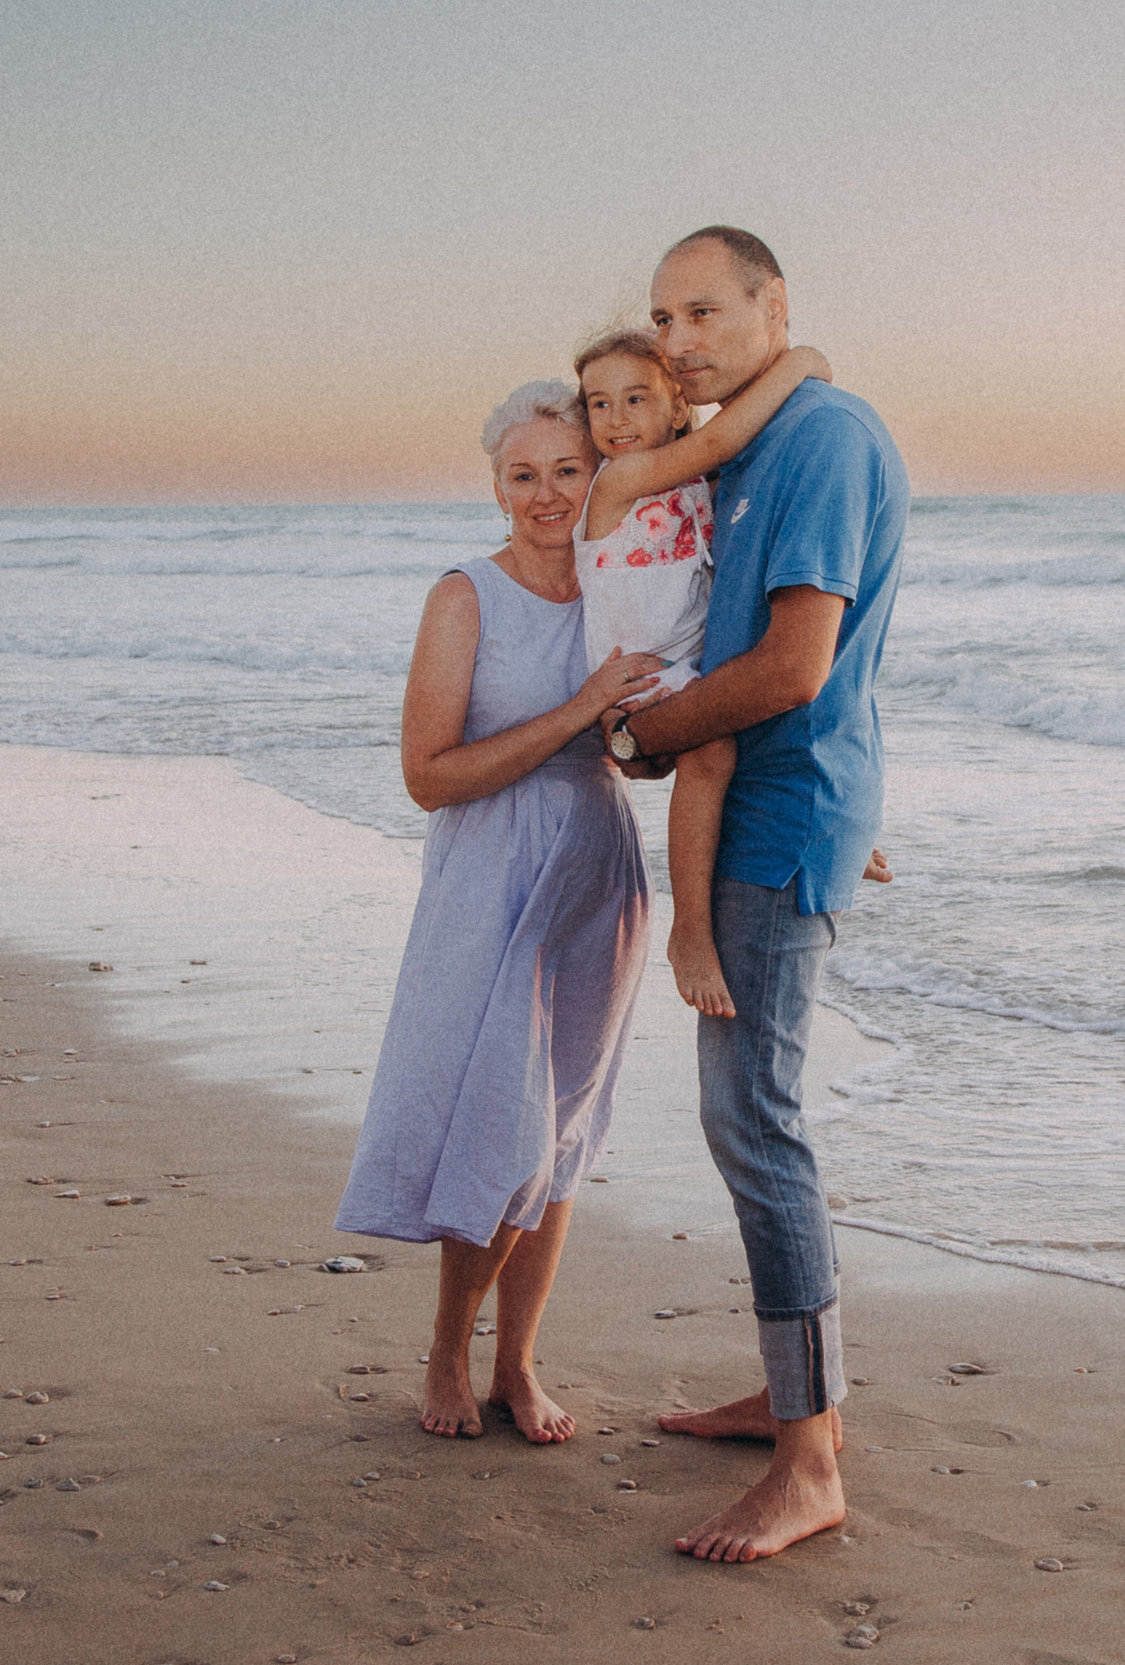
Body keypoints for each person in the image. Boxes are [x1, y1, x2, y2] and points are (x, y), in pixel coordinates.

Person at [603, 226, 910, 1561]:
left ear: (772, 304)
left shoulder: (825, 439)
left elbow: (794, 666)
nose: (678, 340)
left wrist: (645, 739)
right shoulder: (753, 442)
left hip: (776, 821)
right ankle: (797, 1401)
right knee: (747, 1121)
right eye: (663, 317)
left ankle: (808, 1462)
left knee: (757, 1124)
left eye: (706, 310)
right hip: (770, 807)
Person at [333, 381, 670, 1444]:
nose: (546, 494)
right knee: (494, 1117)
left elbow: (646, 754)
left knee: (562, 1131)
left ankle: (517, 1366)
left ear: (595, 475)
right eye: (522, 475)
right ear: (494, 485)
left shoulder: (620, 588)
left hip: (596, 876)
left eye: (566, 470)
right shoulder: (464, 595)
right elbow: (428, 776)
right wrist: (578, 708)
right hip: (487, 874)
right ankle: (445, 1353)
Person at [570, 327, 832, 1018]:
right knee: (712, 749)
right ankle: (689, 929)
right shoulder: (618, 483)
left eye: (635, 399)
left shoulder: (695, 486)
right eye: (599, 404)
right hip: (633, 679)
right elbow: (723, 440)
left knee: (759, 719)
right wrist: (802, 363)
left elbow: (728, 464)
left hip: (680, 666)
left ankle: (831, 829)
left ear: (676, 406)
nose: (616, 420)